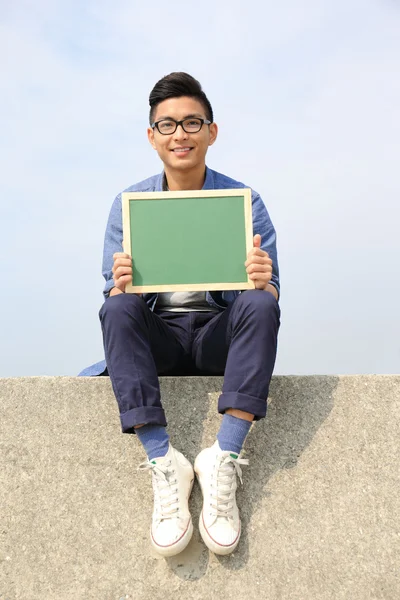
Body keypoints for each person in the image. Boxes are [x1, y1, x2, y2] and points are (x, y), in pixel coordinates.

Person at [90, 72, 281, 557]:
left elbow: (272, 290)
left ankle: (225, 455)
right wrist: (120, 284)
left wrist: (265, 280)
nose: (181, 134)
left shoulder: (245, 201)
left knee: (260, 302)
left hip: (220, 335)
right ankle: (163, 460)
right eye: (168, 125)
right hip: (163, 339)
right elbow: (114, 295)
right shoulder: (128, 205)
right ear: (152, 137)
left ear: (211, 132)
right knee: (117, 307)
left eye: (192, 123)